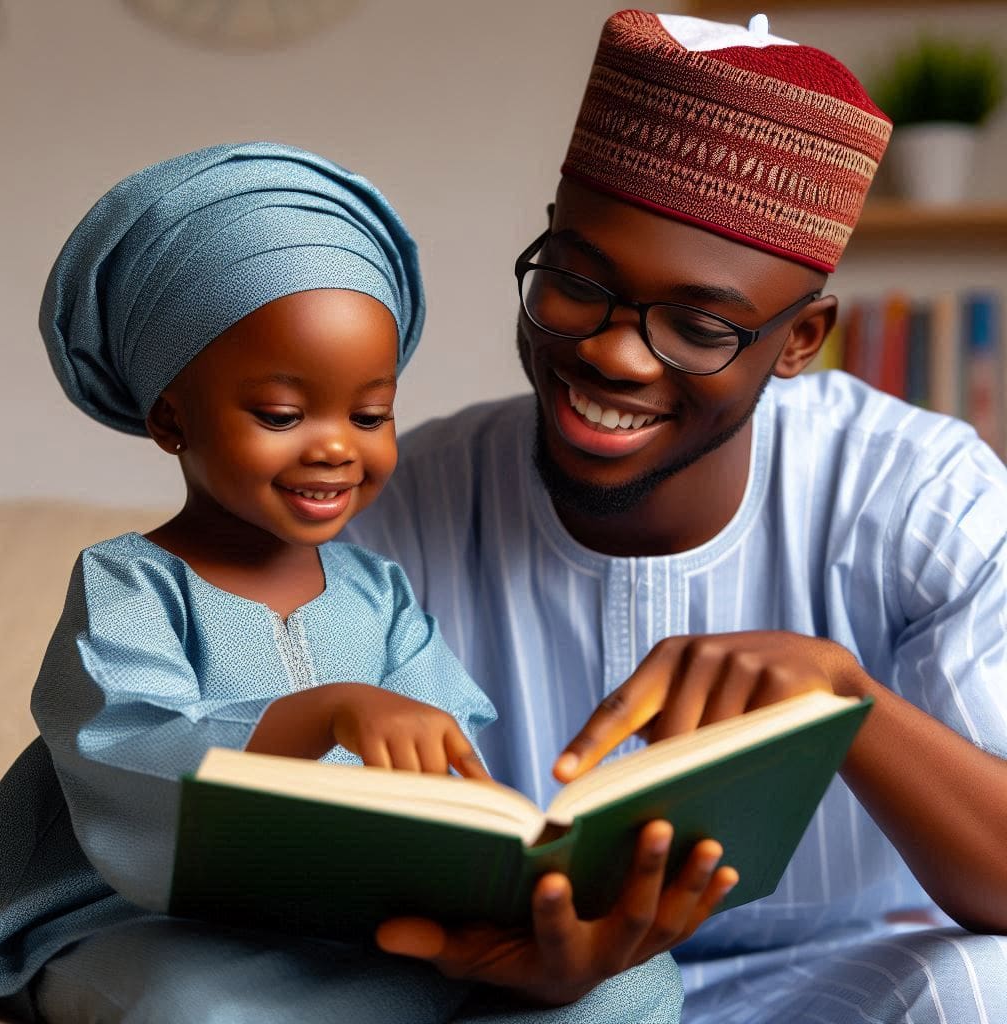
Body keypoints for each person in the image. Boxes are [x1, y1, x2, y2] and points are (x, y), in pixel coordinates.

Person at [344, 11, 1007, 1022]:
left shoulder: (916, 491)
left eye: (696, 325)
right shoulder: (398, 506)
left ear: (800, 342)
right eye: (576, 282)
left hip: (840, 981)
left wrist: (844, 699)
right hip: (504, 992)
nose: (614, 354)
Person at [0, 141, 725, 1023]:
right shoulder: (129, 585)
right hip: (151, 930)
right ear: (172, 419)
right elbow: (128, 759)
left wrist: (520, 868)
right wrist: (320, 712)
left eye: (370, 414)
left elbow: (455, 770)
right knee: (200, 1011)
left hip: (359, 934)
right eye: (283, 414)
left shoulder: (379, 595)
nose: (337, 445)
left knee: (631, 988)